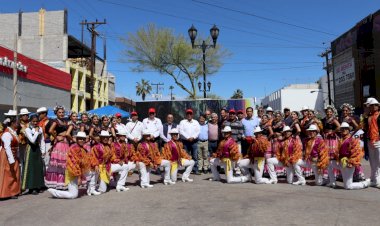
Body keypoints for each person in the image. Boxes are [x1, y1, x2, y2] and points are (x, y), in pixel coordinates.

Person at [47, 132, 91, 199]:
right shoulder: (74, 148)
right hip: (72, 173)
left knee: (92, 172)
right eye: (80, 139)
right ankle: (54, 192)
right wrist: (79, 177)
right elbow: (75, 164)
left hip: (79, 172)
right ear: (76, 139)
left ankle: (91, 189)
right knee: (73, 195)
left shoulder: (83, 149)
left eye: (83, 139)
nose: (82, 140)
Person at [328, 122, 370, 189]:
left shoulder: (352, 140)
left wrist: (351, 162)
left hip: (348, 163)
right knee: (328, 163)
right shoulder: (341, 140)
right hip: (341, 163)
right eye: (342, 129)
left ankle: (365, 183)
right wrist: (335, 157)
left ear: (348, 130)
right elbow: (337, 152)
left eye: (345, 129)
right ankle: (332, 183)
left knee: (348, 186)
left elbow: (357, 153)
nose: (344, 130)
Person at [46, 106, 70, 190]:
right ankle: (58, 183)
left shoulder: (64, 121)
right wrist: (57, 137)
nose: (61, 114)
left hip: (65, 143)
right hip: (60, 145)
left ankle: (64, 183)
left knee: (65, 164)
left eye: (63, 112)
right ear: (56, 113)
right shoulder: (56, 121)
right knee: (59, 165)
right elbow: (50, 130)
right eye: (59, 112)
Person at [22, 115, 46, 194]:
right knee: (31, 167)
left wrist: (43, 150)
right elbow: (32, 140)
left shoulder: (40, 129)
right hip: (31, 150)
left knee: (38, 167)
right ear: (30, 121)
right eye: (33, 121)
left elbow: (42, 140)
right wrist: (36, 132)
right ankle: (31, 187)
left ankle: (38, 185)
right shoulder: (27, 129)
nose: (35, 123)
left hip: (37, 149)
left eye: (36, 121)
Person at [0, 110, 21, 199]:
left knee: (13, 173)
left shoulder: (13, 132)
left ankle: (13, 191)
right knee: (7, 173)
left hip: (14, 155)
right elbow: (7, 147)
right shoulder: (7, 133)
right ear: (12, 123)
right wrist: (11, 159)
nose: (18, 124)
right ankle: (6, 192)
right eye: (17, 122)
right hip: (8, 155)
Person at [363, 98, 380, 188]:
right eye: (370, 106)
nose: (372, 107)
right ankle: (373, 178)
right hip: (370, 140)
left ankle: (378, 179)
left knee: (379, 161)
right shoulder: (368, 117)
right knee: (372, 161)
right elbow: (364, 128)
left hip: (378, 140)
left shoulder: (379, 115)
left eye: (374, 105)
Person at [179, 109, 200, 174]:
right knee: (186, 156)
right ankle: (187, 169)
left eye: (190, 114)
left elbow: (198, 131)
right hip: (185, 141)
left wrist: (193, 137)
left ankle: (195, 169)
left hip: (194, 141)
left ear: (192, 115)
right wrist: (188, 137)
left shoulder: (196, 122)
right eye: (188, 114)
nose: (189, 115)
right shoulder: (182, 122)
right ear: (186, 115)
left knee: (195, 156)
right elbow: (181, 131)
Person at [18, 108, 30, 181]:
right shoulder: (18, 124)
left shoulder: (30, 123)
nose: (26, 116)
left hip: (29, 144)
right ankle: (22, 178)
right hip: (21, 144)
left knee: (27, 160)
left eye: (27, 115)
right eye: (24, 115)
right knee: (21, 161)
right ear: (21, 116)